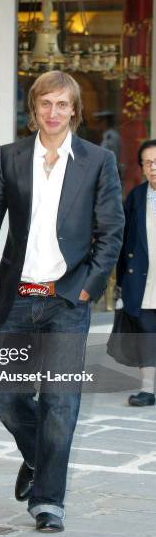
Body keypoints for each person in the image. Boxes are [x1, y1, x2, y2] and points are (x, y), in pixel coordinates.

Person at [0, 71, 124, 533]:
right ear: (34, 109)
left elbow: (111, 233)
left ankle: (48, 501)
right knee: (9, 398)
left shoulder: (98, 160)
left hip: (67, 299)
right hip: (18, 299)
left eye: (62, 105)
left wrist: (85, 287)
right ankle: (38, 458)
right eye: (46, 103)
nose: (53, 113)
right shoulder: (11, 157)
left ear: (74, 111)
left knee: (60, 404)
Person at [116, 140, 156, 406]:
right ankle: (148, 388)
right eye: (148, 163)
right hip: (143, 278)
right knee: (145, 332)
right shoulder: (137, 197)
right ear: (142, 167)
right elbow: (124, 239)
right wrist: (121, 282)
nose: (154, 168)